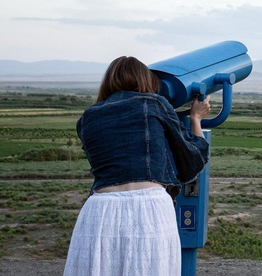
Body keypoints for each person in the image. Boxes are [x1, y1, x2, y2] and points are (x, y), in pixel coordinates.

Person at [63, 56, 211, 276]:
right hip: (150, 209)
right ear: (145, 80)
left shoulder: (88, 117)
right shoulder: (154, 103)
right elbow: (191, 161)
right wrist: (196, 119)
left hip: (100, 210)